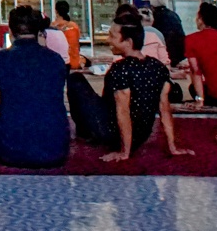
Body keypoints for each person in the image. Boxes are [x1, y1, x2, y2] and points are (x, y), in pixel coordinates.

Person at [67, 20, 193, 161]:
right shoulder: (158, 67)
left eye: (113, 36)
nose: (108, 40)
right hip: (141, 136)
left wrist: (124, 152)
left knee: (76, 79)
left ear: (128, 42)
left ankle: (85, 133)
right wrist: (172, 146)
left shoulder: (120, 69)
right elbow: (165, 109)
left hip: (111, 132)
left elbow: (123, 111)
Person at [0, 5, 71, 168]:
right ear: (39, 31)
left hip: (13, 149)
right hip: (56, 151)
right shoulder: (56, 60)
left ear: (10, 31)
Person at [148, 0, 188, 67]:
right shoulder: (174, 15)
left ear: (152, 7)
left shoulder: (155, 17)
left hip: (166, 55)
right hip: (180, 54)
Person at [52, 0, 84, 69]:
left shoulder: (52, 27)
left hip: (58, 63)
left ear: (56, 11)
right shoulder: (74, 26)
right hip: (74, 62)